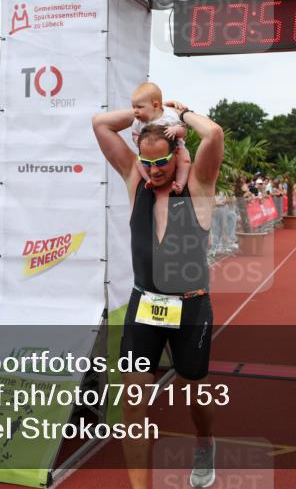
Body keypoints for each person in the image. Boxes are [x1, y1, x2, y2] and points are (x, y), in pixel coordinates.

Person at [93, 100, 224, 489]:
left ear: (177, 153)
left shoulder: (198, 182)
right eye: (146, 164)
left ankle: (204, 442)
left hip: (191, 306)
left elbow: (213, 134)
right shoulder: (136, 180)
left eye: (161, 163)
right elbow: (100, 124)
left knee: (194, 392)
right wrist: (142, 115)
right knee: (133, 400)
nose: (153, 171)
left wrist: (179, 115)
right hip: (145, 303)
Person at [130, 82, 191, 195]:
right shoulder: (138, 121)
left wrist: (175, 130)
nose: (135, 111)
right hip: (150, 155)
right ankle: (149, 180)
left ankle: (180, 184)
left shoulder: (169, 116)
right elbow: (135, 134)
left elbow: (183, 130)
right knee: (138, 162)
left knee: (185, 160)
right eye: (133, 107)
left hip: (177, 148)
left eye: (139, 107)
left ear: (156, 105)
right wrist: (137, 140)